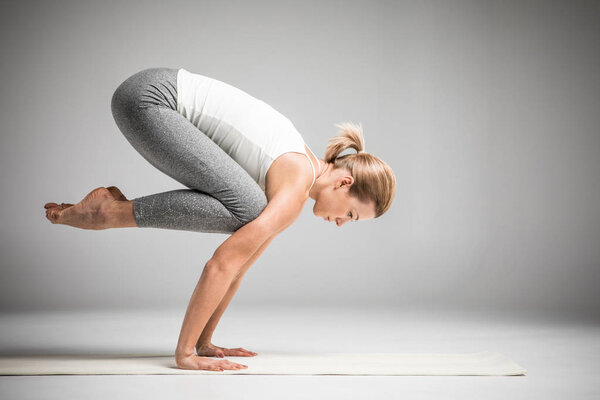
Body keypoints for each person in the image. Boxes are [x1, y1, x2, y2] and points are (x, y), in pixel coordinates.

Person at [43, 67, 396, 372]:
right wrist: (184, 354)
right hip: (148, 99)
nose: (341, 223)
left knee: (250, 210)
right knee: (249, 208)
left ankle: (110, 211)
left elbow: (238, 267)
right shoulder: (293, 187)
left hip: (145, 94)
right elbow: (219, 267)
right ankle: (109, 212)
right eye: (351, 214)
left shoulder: (296, 177)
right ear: (344, 182)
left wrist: (205, 343)